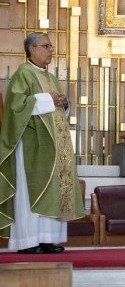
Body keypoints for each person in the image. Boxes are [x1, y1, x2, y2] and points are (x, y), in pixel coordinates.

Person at [0, 32, 84, 253]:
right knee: (31, 190)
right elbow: (16, 106)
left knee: (53, 189)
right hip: (31, 144)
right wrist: (49, 99)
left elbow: (55, 108)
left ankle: (47, 239)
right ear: (32, 49)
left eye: (51, 46)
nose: (51, 50)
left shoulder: (50, 77)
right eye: (46, 46)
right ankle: (27, 242)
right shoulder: (23, 74)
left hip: (54, 146)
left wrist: (63, 103)